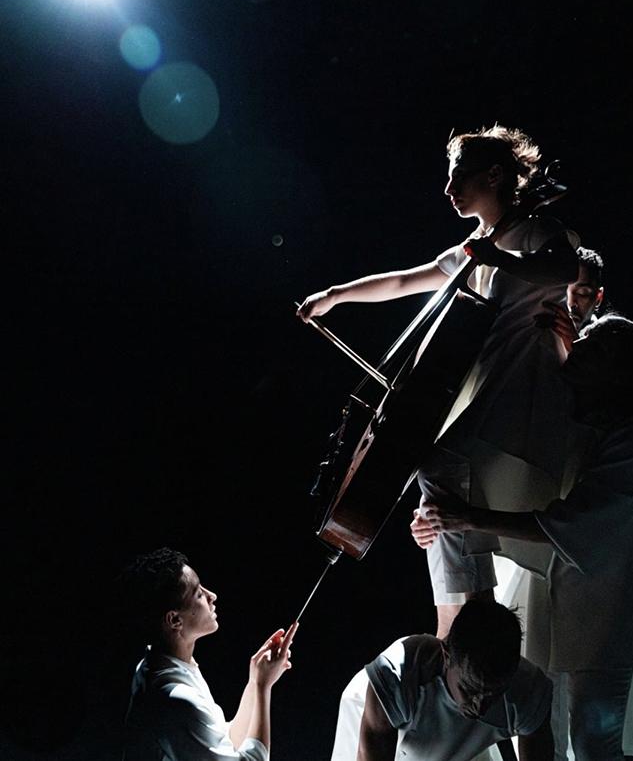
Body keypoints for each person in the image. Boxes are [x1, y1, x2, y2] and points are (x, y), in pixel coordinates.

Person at [298, 124, 579, 637]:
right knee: (437, 493)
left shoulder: (537, 231)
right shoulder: (473, 247)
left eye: (459, 177)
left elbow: (563, 269)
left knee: (437, 466)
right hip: (486, 394)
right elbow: (406, 280)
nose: (449, 190)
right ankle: (466, 624)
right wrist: (335, 295)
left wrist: (497, 257)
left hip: (522, 393)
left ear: (494, 176)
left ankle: (470, 620)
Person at [412, 315, 633, 761]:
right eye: (581, 339)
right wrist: (438, 520)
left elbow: (569, 526)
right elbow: (497, 474)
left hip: (599, 618)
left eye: (591, 345)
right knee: (535, 735)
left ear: (615, 370)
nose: (577, 346)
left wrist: (467, 518)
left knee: (594, 744)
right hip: (541, 601)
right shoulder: (569, 419)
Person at [120, 547, 298, 761]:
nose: (212, 596)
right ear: (175, 620)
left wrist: (254, 681)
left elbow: (225, 743)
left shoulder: (163, 665)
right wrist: (262, 687)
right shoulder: (175, 699)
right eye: (198, 594)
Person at [330, 600, 554, 761]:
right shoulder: (397, 676)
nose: (480, 707)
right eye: (468, 689)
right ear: (446, 657)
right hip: (376, 721)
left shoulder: (530, 692)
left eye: (493, 693)